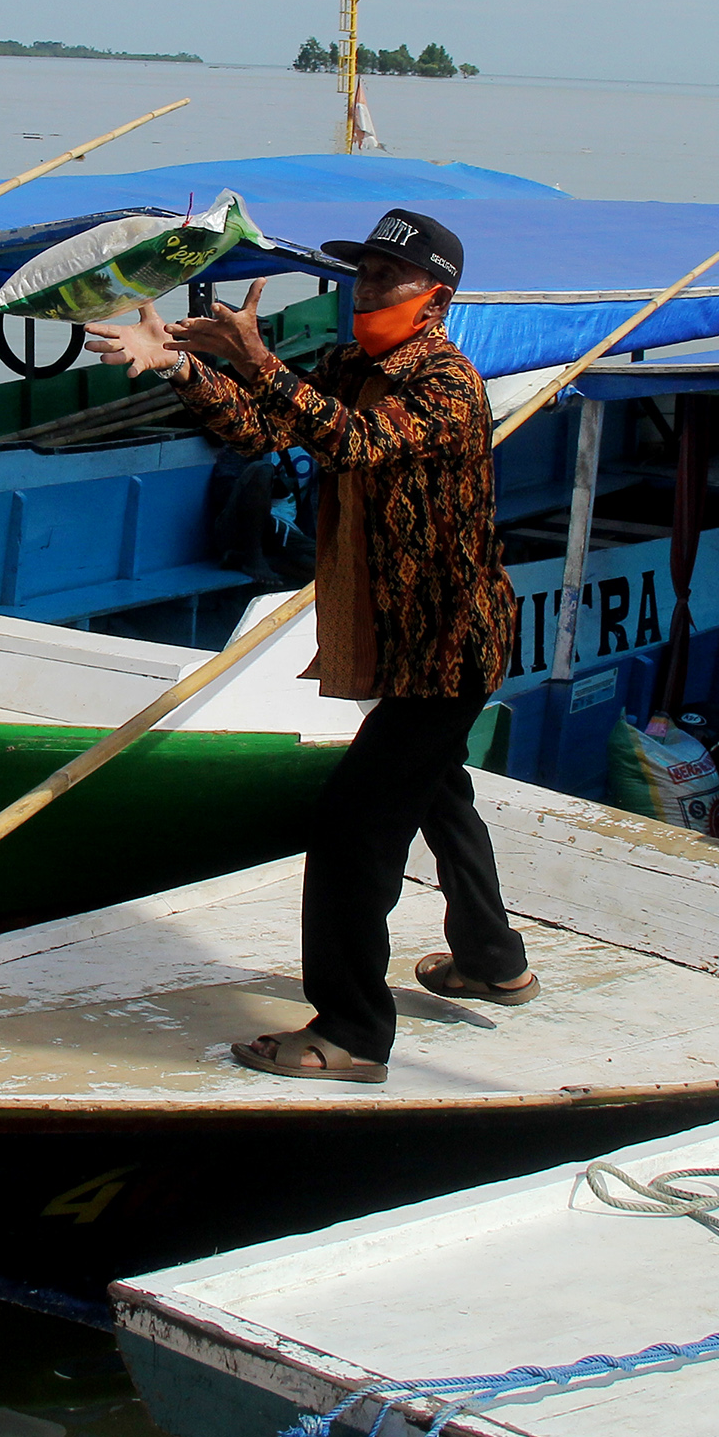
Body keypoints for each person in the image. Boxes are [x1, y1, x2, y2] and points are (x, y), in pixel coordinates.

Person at [86, 208, 528, 1085]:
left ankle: (355, 1032)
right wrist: (181, 364)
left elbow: (355, 444)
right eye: (358, 274)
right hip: (396, 640)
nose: (364, 290)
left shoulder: (448, 383)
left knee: (354, 830)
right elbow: (268, 431)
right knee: (437, 790)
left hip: (446, 649)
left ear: (435, 298)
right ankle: (493, 958)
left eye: (383, 278)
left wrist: (256, 357)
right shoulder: (349, 367)